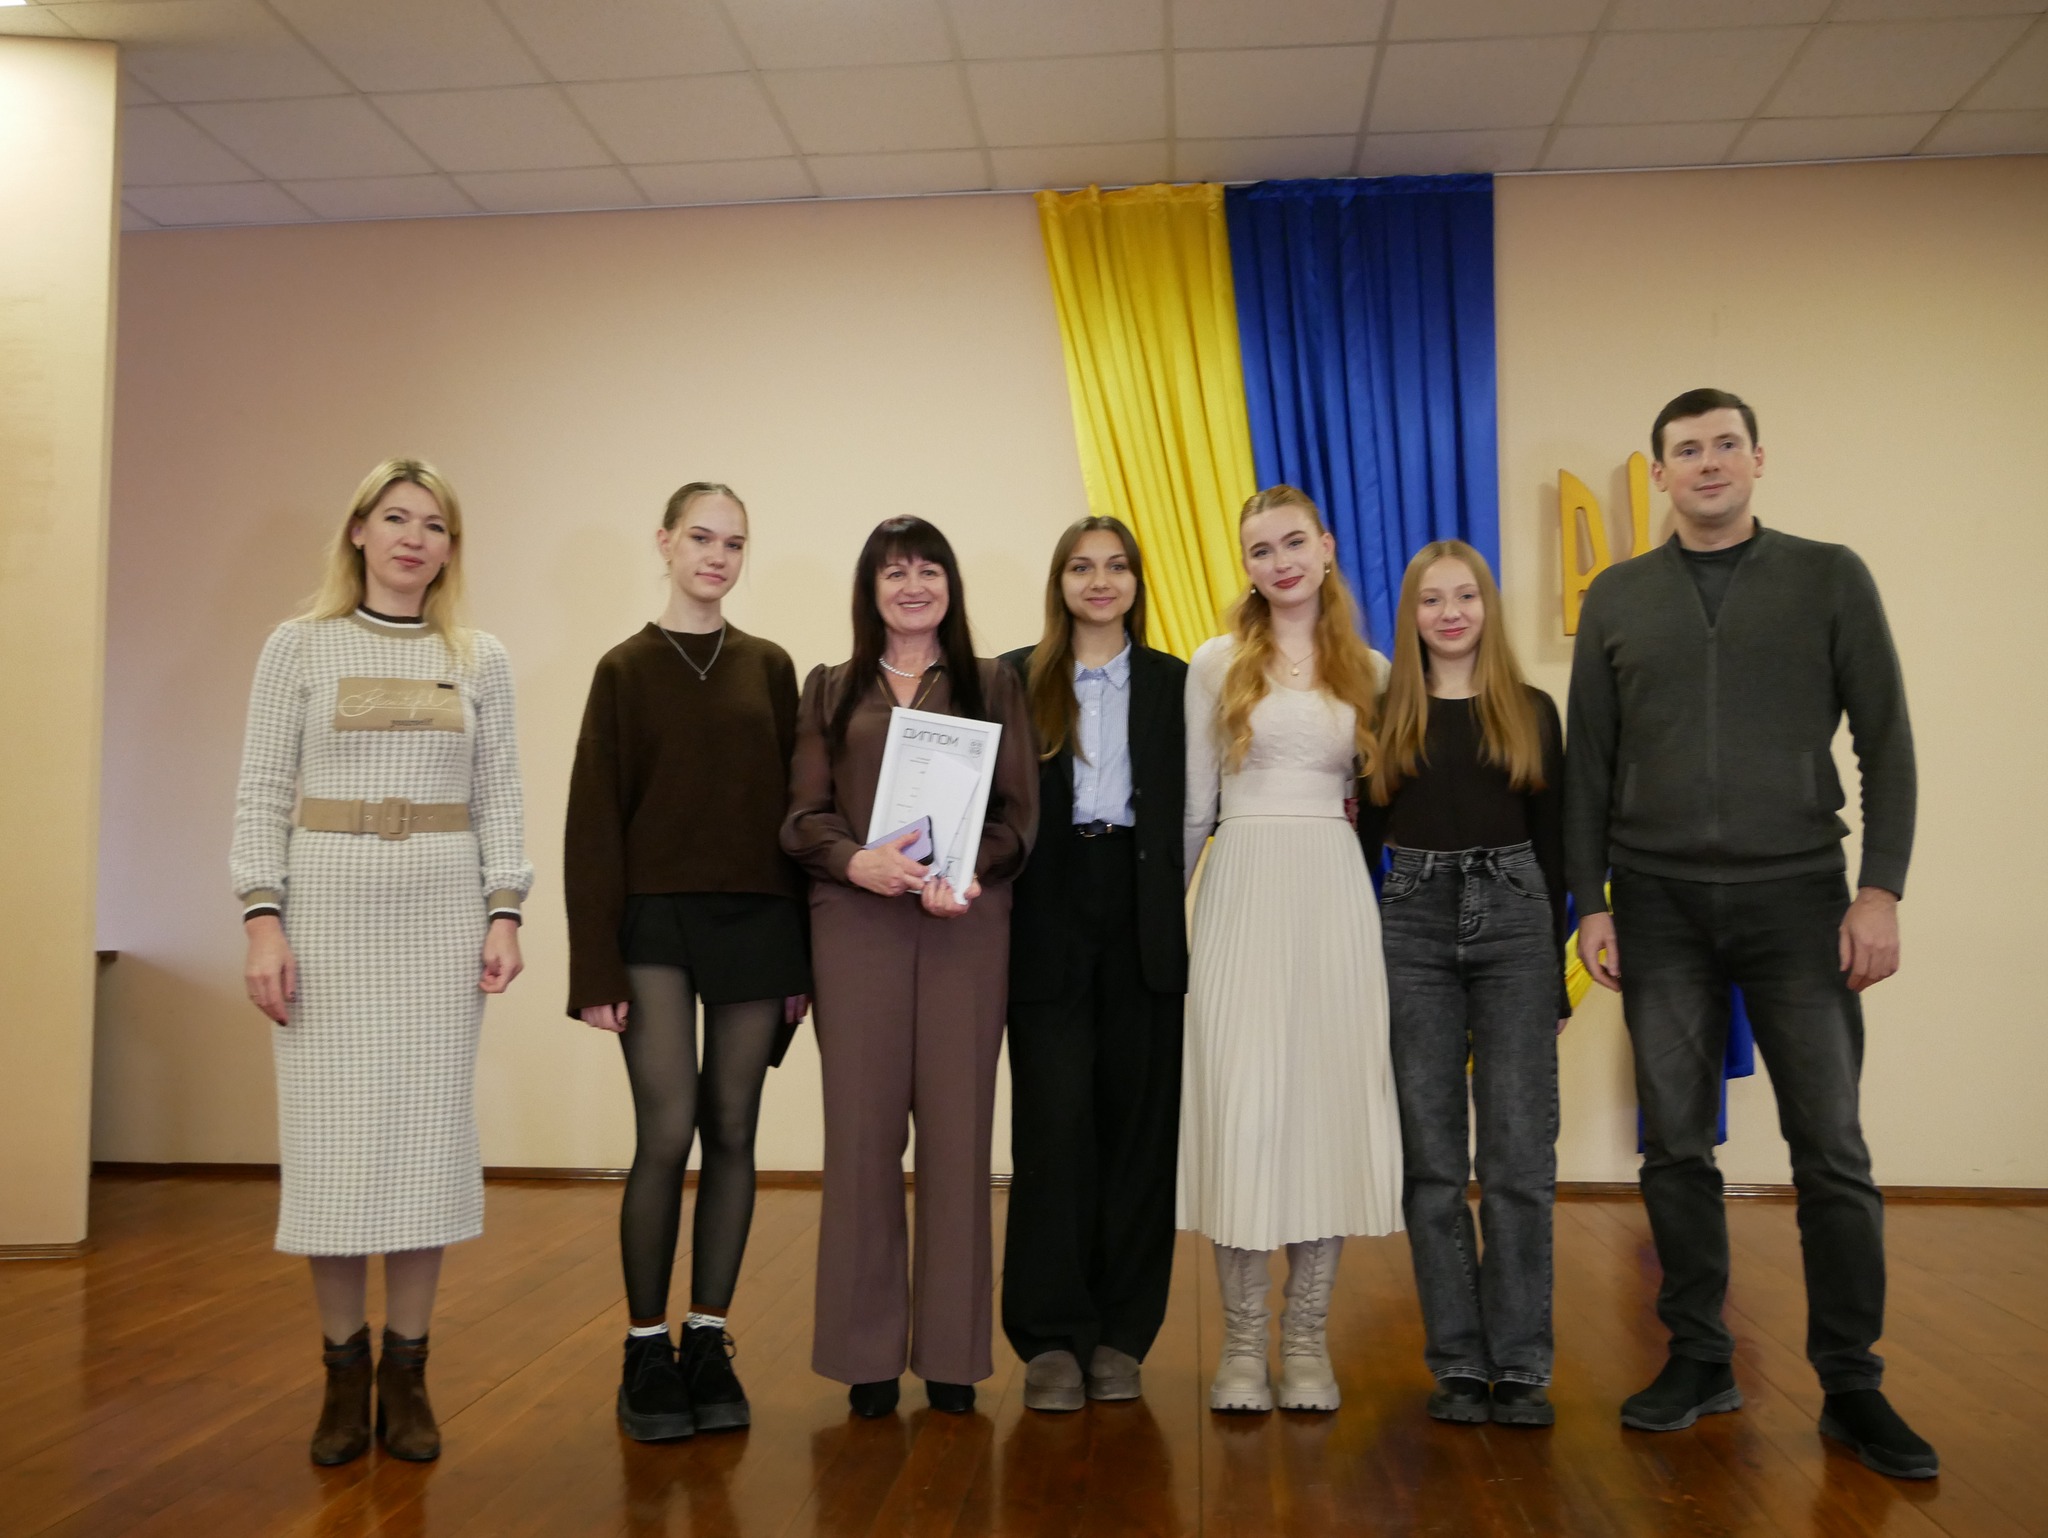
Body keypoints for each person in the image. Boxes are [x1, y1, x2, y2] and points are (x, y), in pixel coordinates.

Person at [1565, 388, 1932, 1478]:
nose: (1709, 461)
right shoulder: (1618, 595)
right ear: (1660, 474)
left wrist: (1880, 889)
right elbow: (1587, 764)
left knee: (1832, 1149)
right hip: (1659, 905)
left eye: (1726, 443)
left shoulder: (1829, 576)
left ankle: (1852, 1385)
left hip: (1800, 901)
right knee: (1675, 1145)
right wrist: (1590, 900)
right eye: (1687, 449)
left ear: (1757, 459)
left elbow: (1886, 739)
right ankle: (1698, 1356)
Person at [233, 458, 531, 1466]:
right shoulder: (298, 645)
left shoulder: (479, 656)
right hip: (326, 917)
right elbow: (261, 789)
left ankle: (407, 1372)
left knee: (423, 1141)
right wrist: (263, 919)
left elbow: (501, 794)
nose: (414, 537)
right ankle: (341, 1372)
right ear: (358, 530)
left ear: (451, 548)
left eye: (434, 524)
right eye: (396, 517)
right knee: (333, 1145)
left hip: (440, 919)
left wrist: (504, 910)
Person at [563, 482, 810, 1442]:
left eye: (734, 543)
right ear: (665, 542)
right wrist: (595, 969)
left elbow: (797, 813)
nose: (717, 555)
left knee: (734, 1128)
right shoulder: (623, 669)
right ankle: (645, 1351)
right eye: (701, 537)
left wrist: (802, 960)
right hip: (655, 924)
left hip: (758, 920)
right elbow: (593, 823)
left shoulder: (770, 666)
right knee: (666, 1132)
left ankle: (707, 1340)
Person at [781, 516, 1037, 1418]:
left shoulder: (993, 683)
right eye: (895, 573)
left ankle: (954, 1355)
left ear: (951, 586)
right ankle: (866, 1357)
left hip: (965, 925)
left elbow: (1019, 817)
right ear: (871, 590)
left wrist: (965, 870)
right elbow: (803, 817)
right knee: (861, 1139)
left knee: (960, 1140)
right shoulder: (830, 687)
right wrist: (857, 861)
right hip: (857, 926)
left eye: (929, 570)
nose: (914, 585)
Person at [1181, 485, 1402, 1415]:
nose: (1279, 562)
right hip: (1241, 888)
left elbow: (1386, 804)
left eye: (1293, 543)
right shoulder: (1215, 663)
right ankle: (1241, 1340)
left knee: (1320, 1111)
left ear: (1326, 547)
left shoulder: (1375, 671)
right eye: (1261, 550)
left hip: (1333, 894)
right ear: (1246, 565)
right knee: (1243, 1110)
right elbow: (1195, 806)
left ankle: (1306, 1337)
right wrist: (1165, 924)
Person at [1357, 540, 1568, 1428]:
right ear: (1409, 616)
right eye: (1431, 600)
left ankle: (1518, 1362)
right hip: (1410, 925)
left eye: (1465, 597)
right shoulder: (1382, 715)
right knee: (1433, 1161)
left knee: (1518, 1157)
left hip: (1516, 921)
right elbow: (1359, 848)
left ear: (1488, 606)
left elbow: (1555, 846)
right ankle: (1456, 1360)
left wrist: (1555, 976)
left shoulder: (1531, 709)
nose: (1450, 613)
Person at [1001, 516, 1188, 1413]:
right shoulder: (1012, 678)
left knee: (1139, 1129)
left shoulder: (1176, 683)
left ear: (1136, 582)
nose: (1100, 580)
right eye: (1082, 566)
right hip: (1046, 907)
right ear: (1060, 582)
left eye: (1116, 566)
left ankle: (1121, 1334)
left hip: (1143, 907)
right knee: (1053, 1125)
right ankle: (1048, 1337)